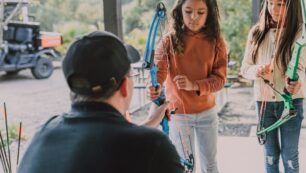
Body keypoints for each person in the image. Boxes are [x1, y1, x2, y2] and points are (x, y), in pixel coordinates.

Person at [18, 31, 184, 173]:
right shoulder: (154, 147)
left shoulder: (43, 134)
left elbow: (100, 143)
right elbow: (125, 144)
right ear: (125, 86)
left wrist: (151, 121)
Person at [148, 0, 228, 173]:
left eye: (200, 12)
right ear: (179, 12)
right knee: (185, 165)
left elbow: (220, 79)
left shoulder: (216, 42)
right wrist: (153, 87)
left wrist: (195, 85)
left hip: (207, 113)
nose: (194, 17)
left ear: (209, 14)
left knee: (210, 163)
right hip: (178, 115)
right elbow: (157, 73)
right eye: (188, 11)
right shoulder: (168, 40)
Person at [240, 0, 306, 173]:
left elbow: (298, 66)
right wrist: (256, 71)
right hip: (263, 103)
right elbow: (245, 68)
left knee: (290, 157)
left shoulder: (300, 32)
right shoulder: (256, 33)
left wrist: (292, 82)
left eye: (280, 4)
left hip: (291, 102)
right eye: (270, 2)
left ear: (292, 5)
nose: (274, 8)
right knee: (270, 157)